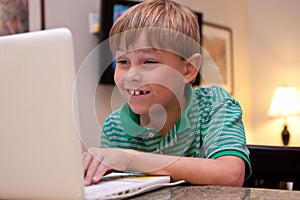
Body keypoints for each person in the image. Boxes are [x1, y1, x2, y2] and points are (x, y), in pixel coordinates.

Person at [82, 0, 251, 187]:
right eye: (123, 61)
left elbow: (231, 175)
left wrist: (130, 158)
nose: (131, 75)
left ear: (188, 70)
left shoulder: (214, 106)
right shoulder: (114, 128)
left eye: (149, 62)